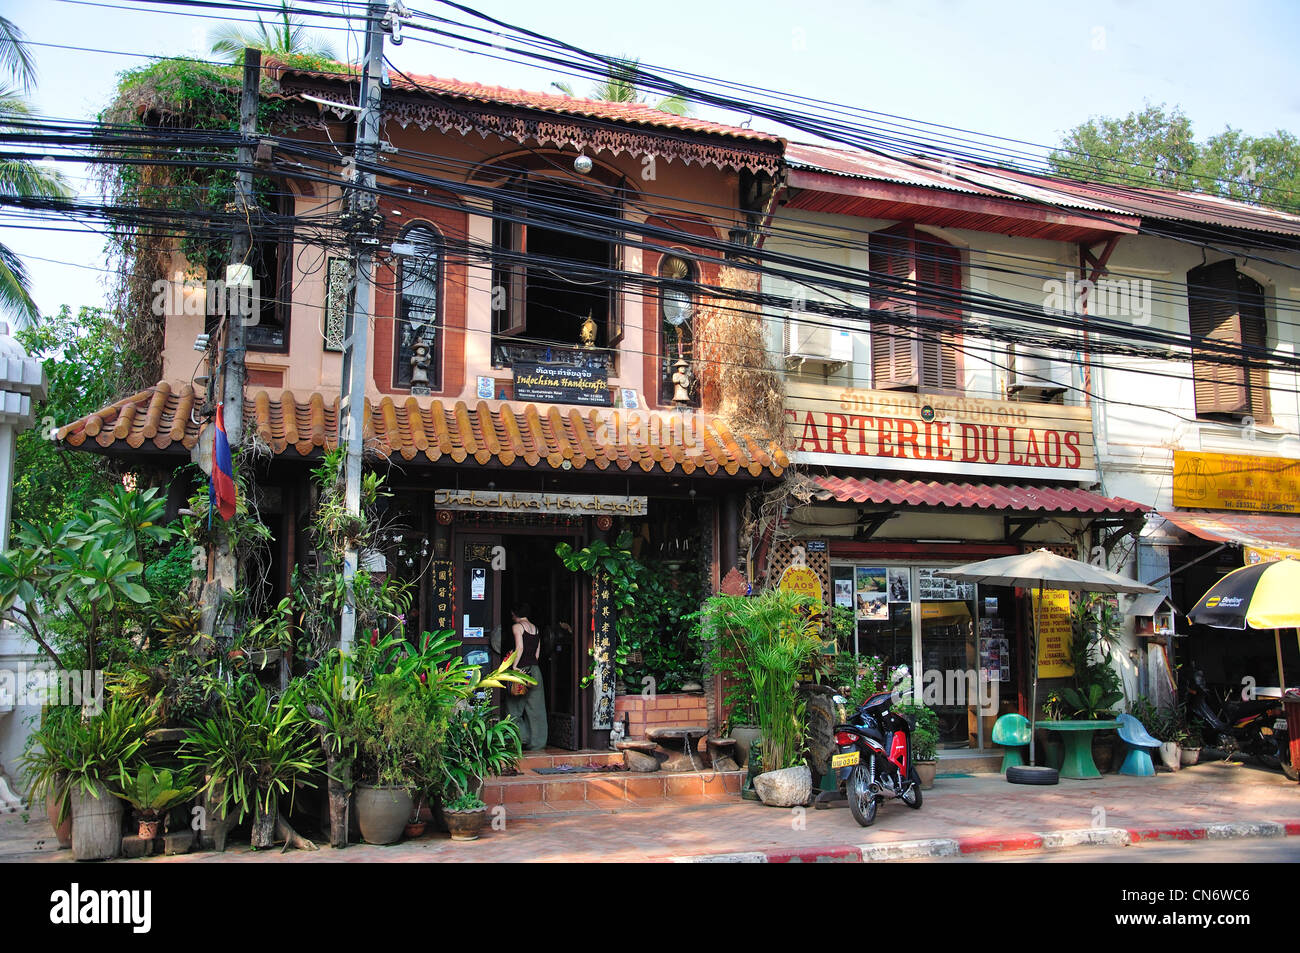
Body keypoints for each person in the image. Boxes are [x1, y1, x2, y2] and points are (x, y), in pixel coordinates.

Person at [506, 602, 548, 750]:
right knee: (536, 708)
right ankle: (538, 742)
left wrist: (515, 666)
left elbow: (520, 647)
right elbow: (537, 654)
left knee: (514, 707)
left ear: (515, 613)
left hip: (521, 670)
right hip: (535, 671)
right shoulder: (536, 629)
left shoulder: (517, 627)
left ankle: (521, 737)